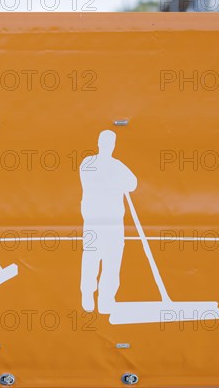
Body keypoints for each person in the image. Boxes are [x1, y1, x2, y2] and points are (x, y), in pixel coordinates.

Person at [79, 130, 137, 314]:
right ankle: (97, 298)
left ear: (99, 143)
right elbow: (131, 183)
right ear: (112, 145)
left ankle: (99, 299)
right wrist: (116, 182)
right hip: (101, 222)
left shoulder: (90, 163)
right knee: (103, 260)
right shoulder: (107, 165)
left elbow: (133, 183)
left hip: (103, 222)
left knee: (98, 259)